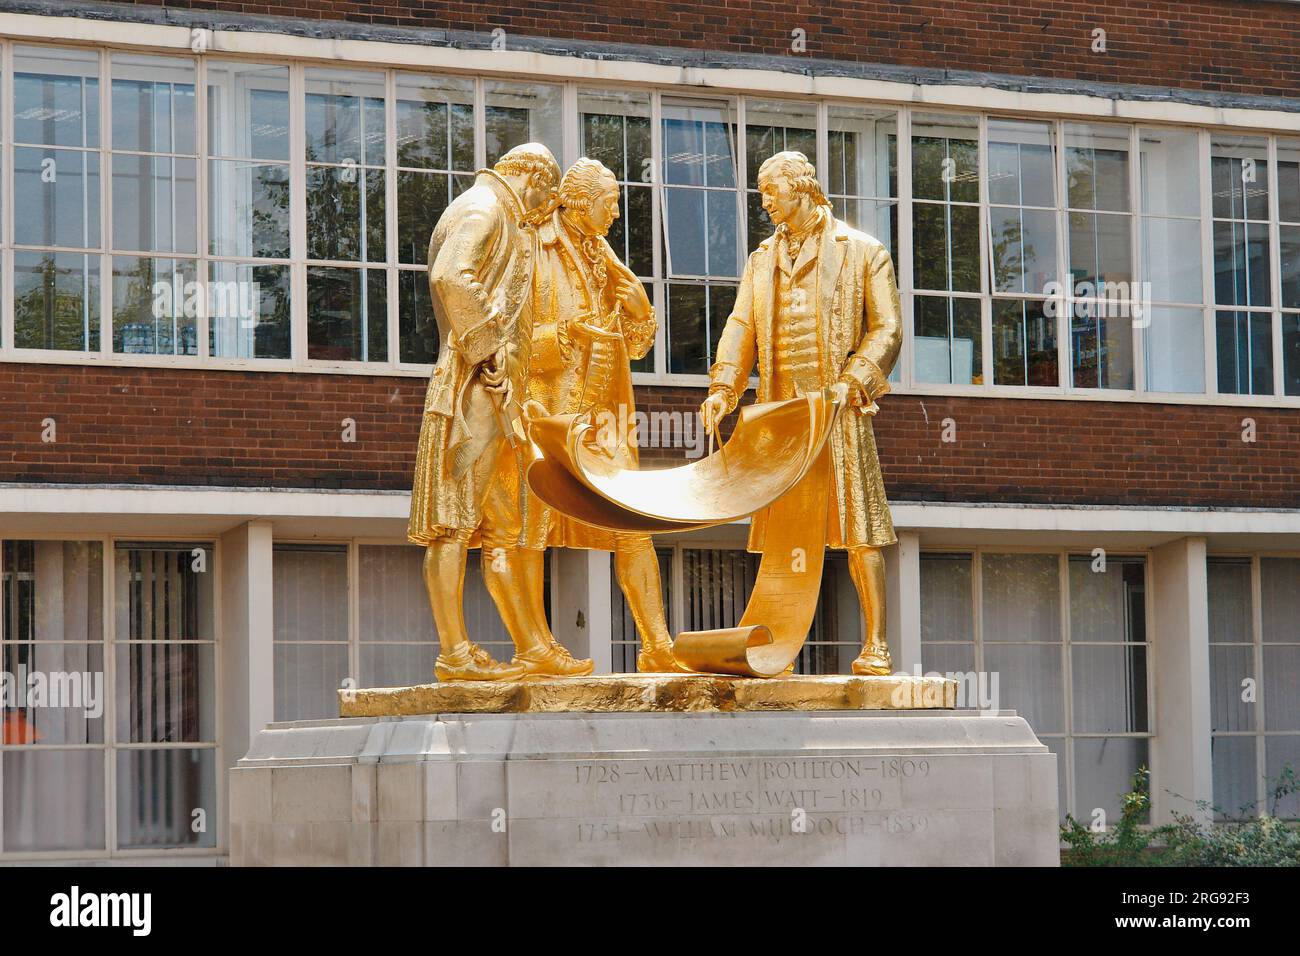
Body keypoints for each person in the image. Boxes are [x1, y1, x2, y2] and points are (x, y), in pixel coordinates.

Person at [698, 150, 901, 676]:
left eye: (771, 191)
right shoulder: (763, 258)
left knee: (860, 530)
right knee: (783, 534)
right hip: (783, 416)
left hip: (839, 410)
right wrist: (724, 386)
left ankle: (876, 641)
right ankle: (777, 642)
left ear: (802, 188)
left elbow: (887, 329)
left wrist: (852, 382)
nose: (764, 203)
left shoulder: (862, 250)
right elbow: (742, 325)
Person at [483, 157, 684, 675]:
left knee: (632, 527)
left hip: (602, 416)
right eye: (609, 202)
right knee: (532, 528)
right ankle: (536, 648)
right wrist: (566, 335)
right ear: (579, 200)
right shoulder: (531, 245)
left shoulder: (603, 253)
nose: (616, 212)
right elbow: (504, 335)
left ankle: (657, 644)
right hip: (546, 412)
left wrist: (640, 307)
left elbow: (635, 347)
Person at [407, 143, 562, 682]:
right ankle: (454, 653)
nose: (545, 209)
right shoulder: (485, 205)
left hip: (496, 395)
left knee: (502, 524)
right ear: (533, 177)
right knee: (453, 521)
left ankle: (532, 649)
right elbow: (452, 276)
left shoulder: (493, 208)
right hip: (472, 389)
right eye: (546, 195)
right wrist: (490, 348)